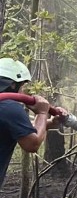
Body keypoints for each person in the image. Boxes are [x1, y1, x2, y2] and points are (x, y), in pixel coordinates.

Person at [0, 58, 65, 190]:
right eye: (22, 85)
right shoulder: (9, 107)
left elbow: (21, 130)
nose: (22, 90)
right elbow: (32, 143)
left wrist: (51, 122)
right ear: (13, 85)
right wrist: (41, 113)